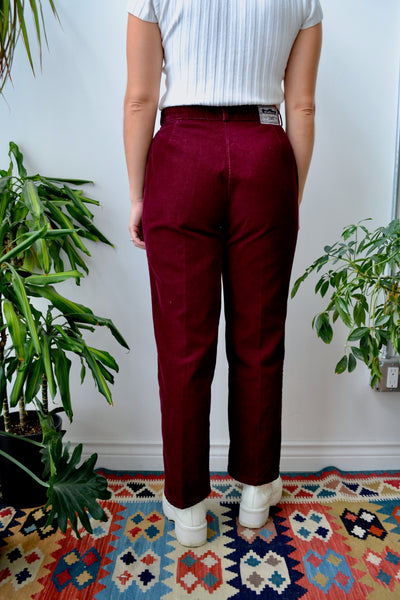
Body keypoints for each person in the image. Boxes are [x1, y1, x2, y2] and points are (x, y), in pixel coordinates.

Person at [124, 0, 322, 547]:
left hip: (181, 158)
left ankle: (188, 507)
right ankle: (256, 494)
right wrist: (289, 194)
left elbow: (140, 99)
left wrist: (139, 195)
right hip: (265, 157)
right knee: (259, 336)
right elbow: (301, 107)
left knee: (183, 344)